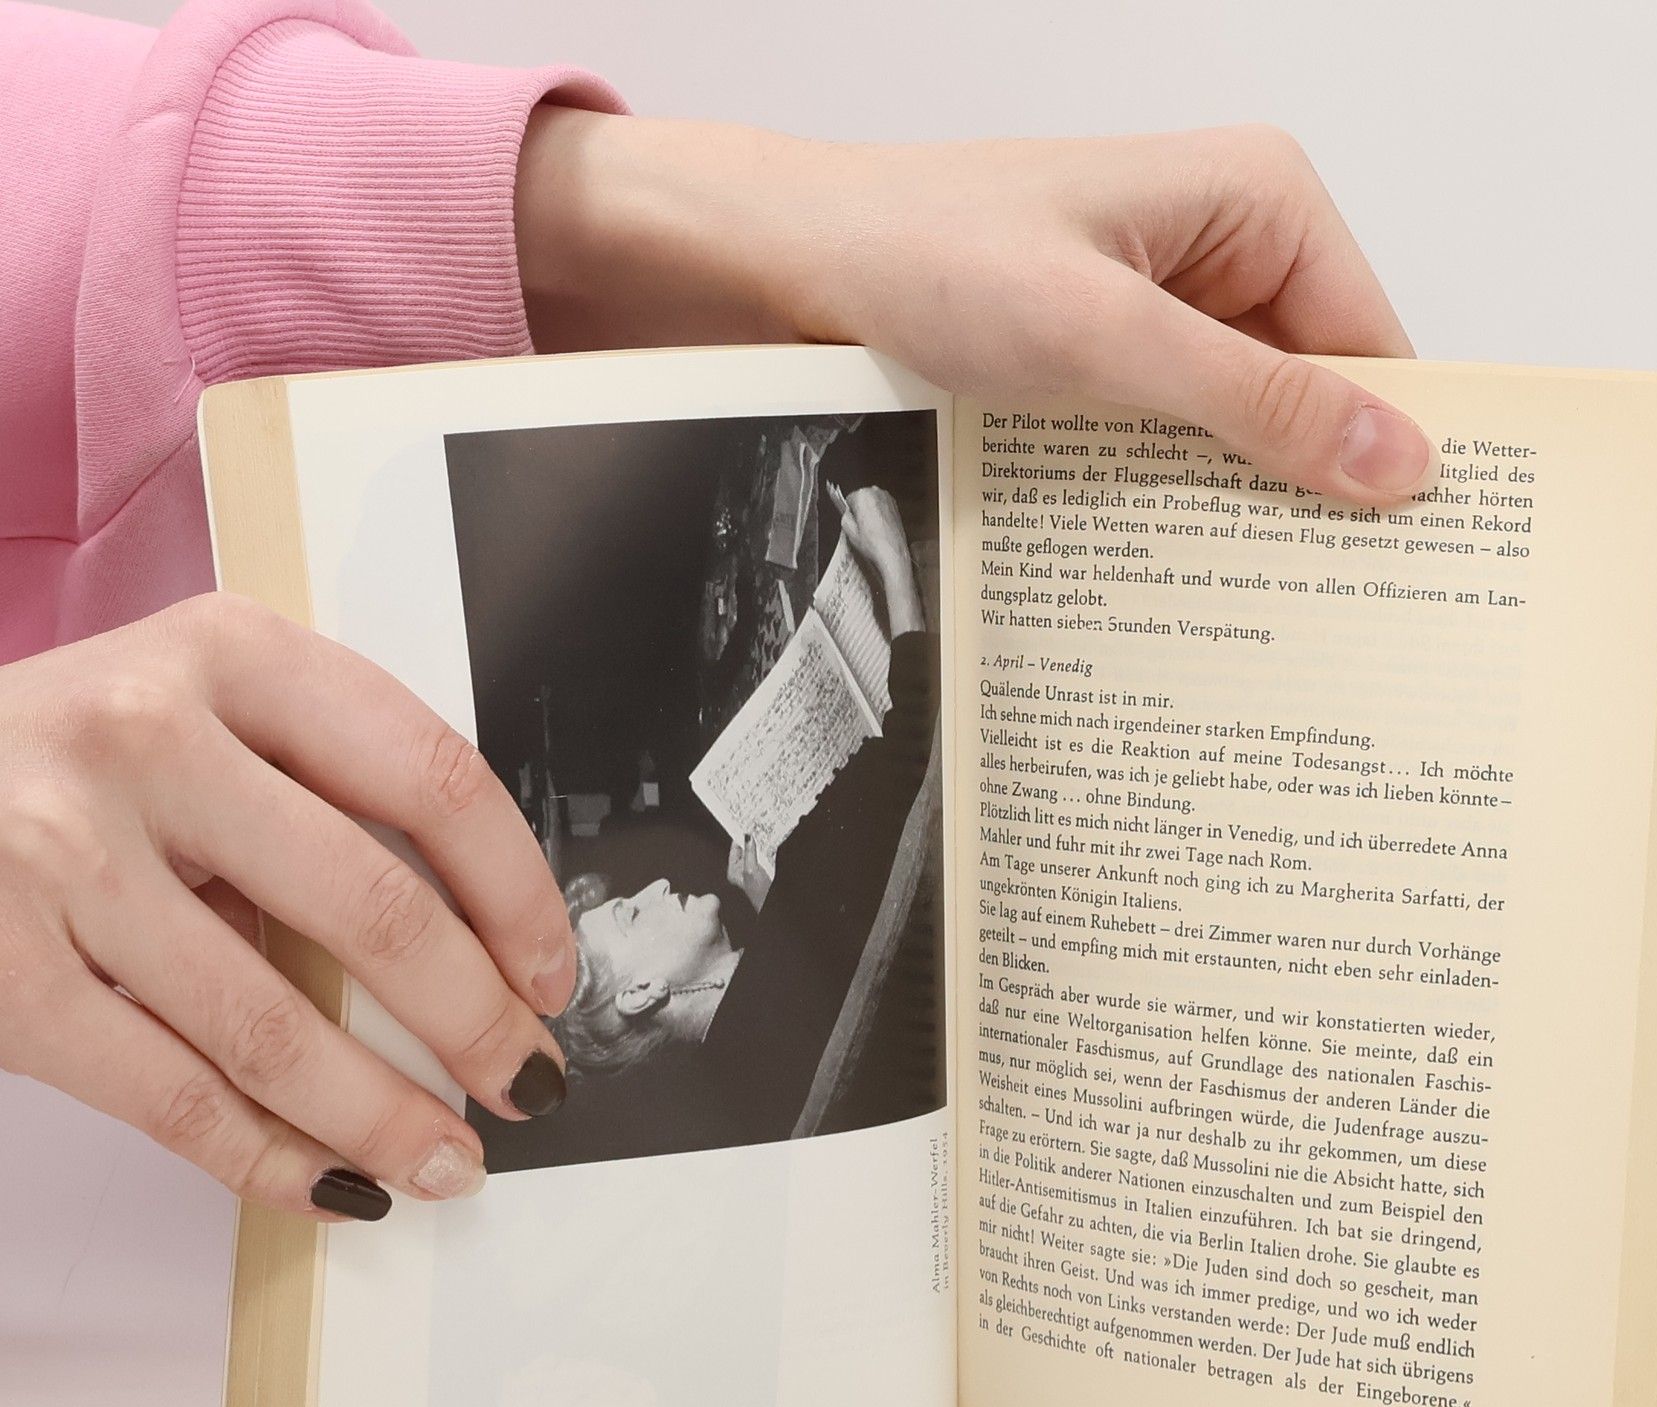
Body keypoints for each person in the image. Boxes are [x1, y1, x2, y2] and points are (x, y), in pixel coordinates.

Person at [0, 0, 1436, 1224]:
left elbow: (118, 237)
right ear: (616, 1012)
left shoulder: (756, 930)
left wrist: (726, 216)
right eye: (612, 918)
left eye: (602, 898)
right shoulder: (768, 1008)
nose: (629, 886)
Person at [529, 483, 939, 1161]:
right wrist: (892, 557)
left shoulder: (739, 1077)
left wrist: (771, 903)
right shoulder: (808, 901)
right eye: (632, 912)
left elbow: (816, 975)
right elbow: (921, 739)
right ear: (641, 992)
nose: (656, 886)